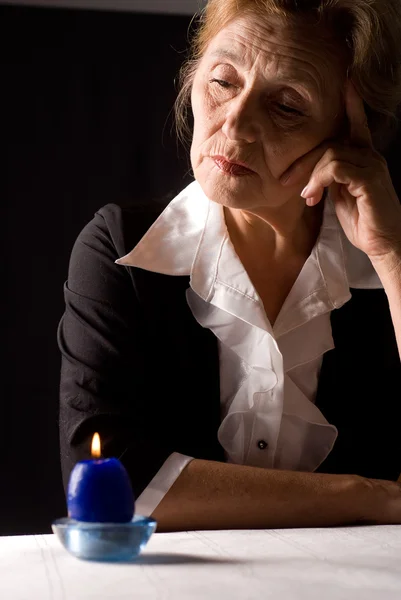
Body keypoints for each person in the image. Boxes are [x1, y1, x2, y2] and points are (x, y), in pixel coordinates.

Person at [58, 0, 401, 532]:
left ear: (348, 134)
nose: (236, 125)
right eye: (222, 81)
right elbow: (108, 479)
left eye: (286, 106)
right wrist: (369, 496)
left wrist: (389, 255)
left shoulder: (388, 258)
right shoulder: (123, 247)